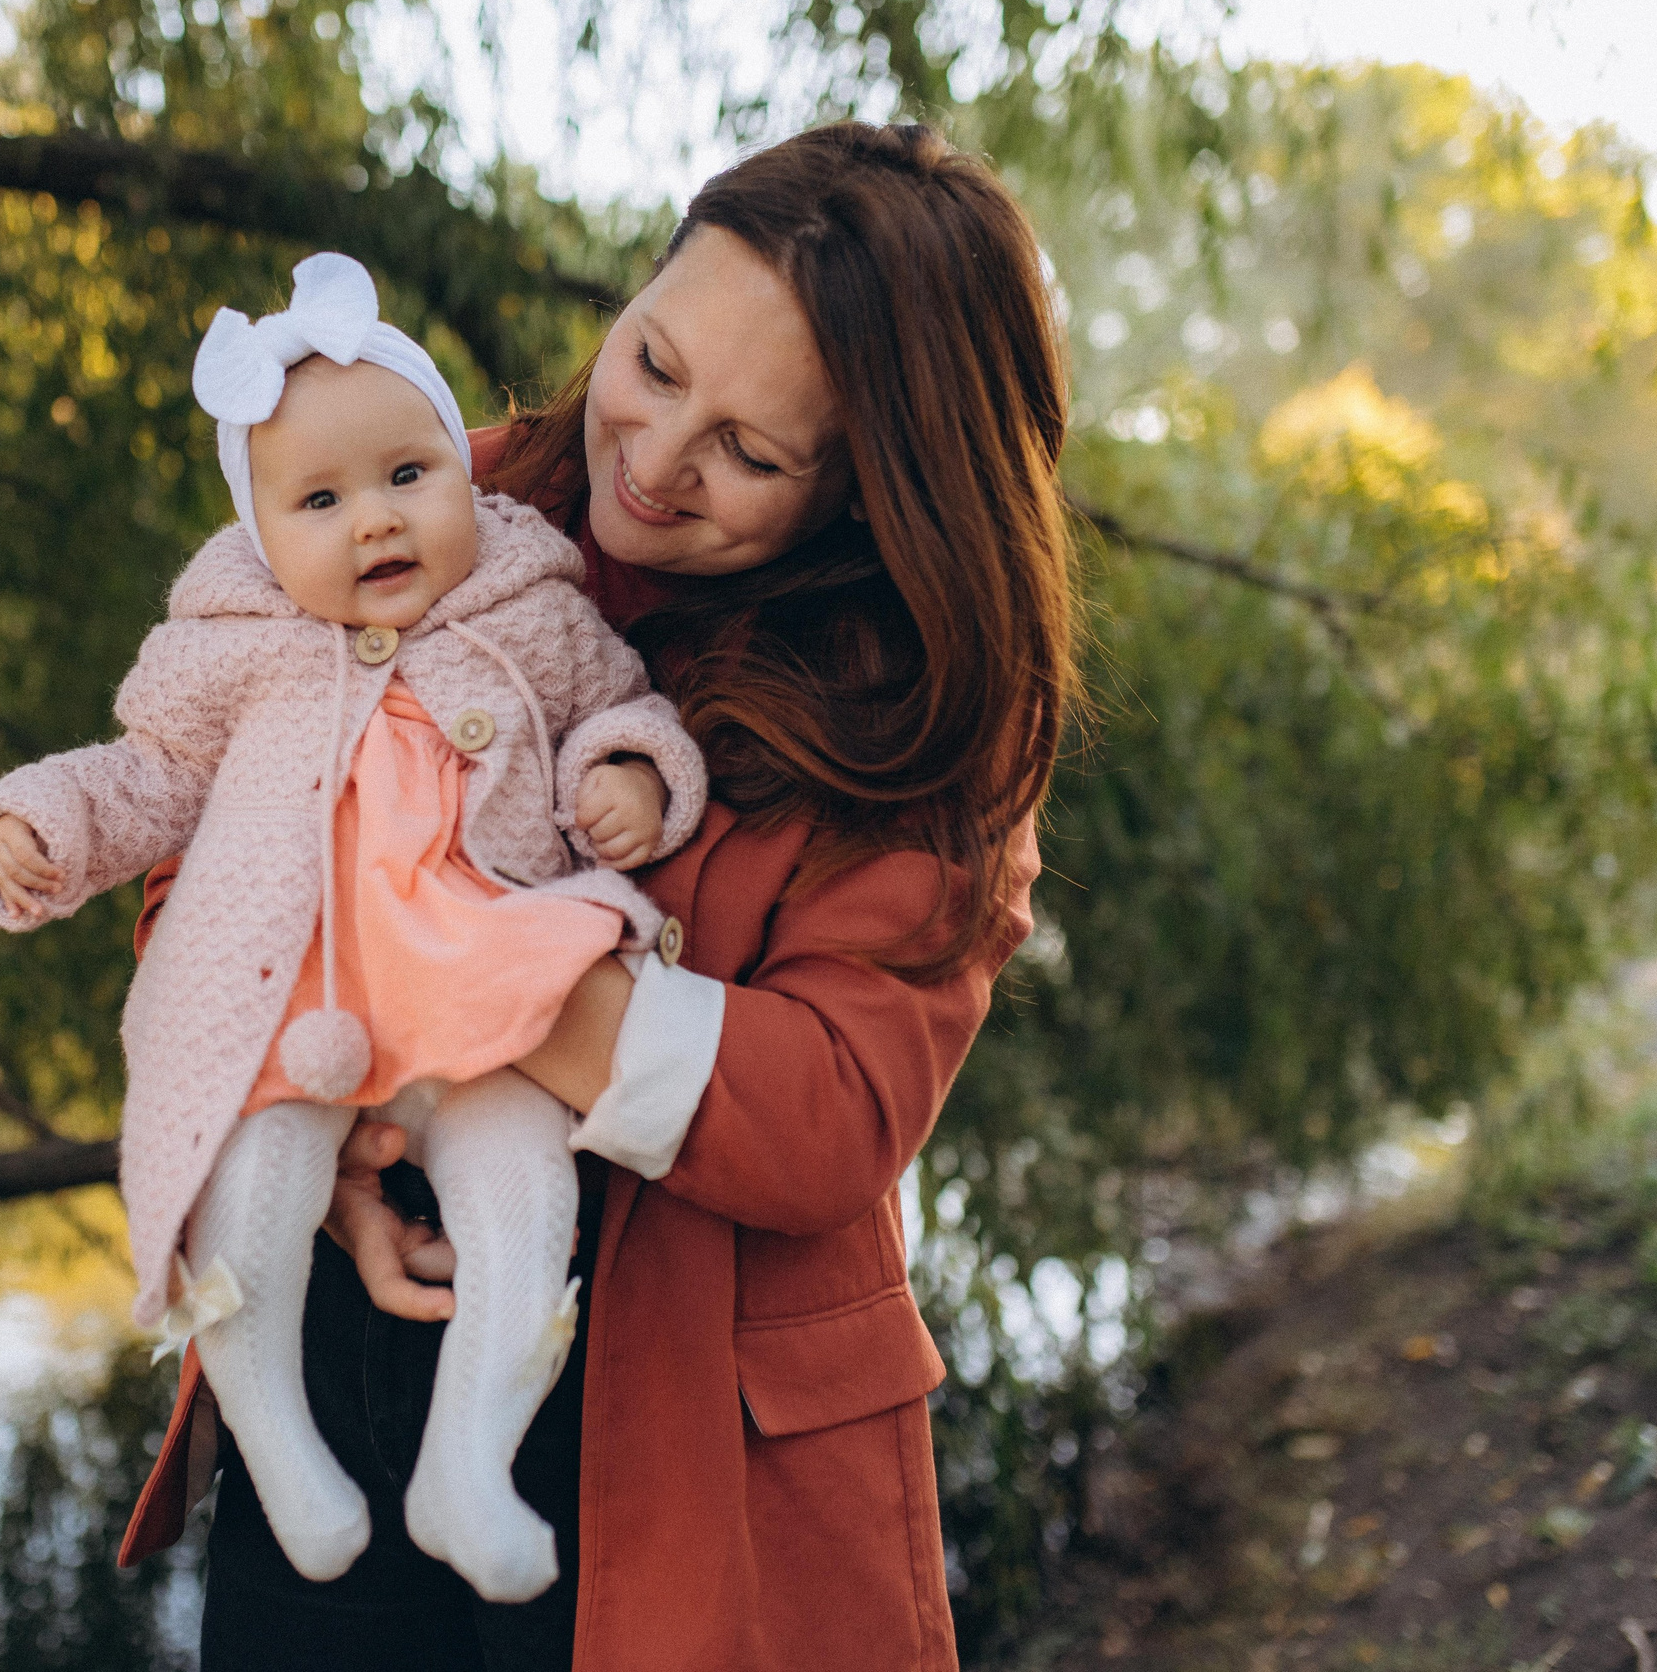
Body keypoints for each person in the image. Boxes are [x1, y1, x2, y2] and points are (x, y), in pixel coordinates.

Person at [116, 121, 1079, 1672]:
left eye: (749, 452)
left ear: (869, 490)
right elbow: (197, 813)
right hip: (350, 1328)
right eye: (654, 361)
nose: (654, 457)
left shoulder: (930, 712)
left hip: (680, 1409)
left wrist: (470, 964)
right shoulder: (443, 489)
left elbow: (832, 1108)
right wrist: (326, 1130)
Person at [0, 254, 711, 1605]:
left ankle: (469, 1459)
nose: (376, 521)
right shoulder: (234, 648)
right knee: (251, 1194)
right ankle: (273, 1431)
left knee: (528, 1202)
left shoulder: (535, 612)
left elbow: (622, 704)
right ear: (261, 534)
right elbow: (147, 779)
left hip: (489, 1007)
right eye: (320, 500)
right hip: (296, 1005)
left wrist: (634, 773)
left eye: (409, 475)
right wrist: (44, 820)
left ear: (462, 474)